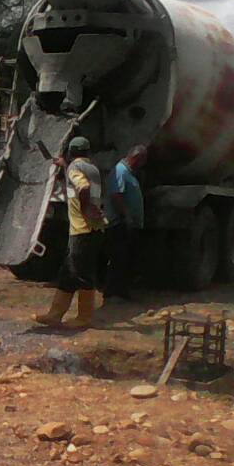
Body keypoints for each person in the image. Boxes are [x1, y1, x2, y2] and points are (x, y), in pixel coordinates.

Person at [33, 135, 105, 328]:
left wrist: (85, 208)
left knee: (82, 274)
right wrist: (64, 165)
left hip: (83, 229)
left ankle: (84, 317)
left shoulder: (75, 168)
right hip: (94, 228)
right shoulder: (91, 168)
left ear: (71, 152)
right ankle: (55, 315)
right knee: (68, 272)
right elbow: (80, 179)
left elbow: (83, 187)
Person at [102, 145, 148, 299]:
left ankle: (120, 290)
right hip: (118, 224)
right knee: (119, 258)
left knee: (124, 258)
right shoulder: (120, 171)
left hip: (125, 224)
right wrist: (127, 216)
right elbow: (117, 196)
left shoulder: (128, 172)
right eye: (143, 160)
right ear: (136, 158)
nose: (143, 164)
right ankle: (114, 292)